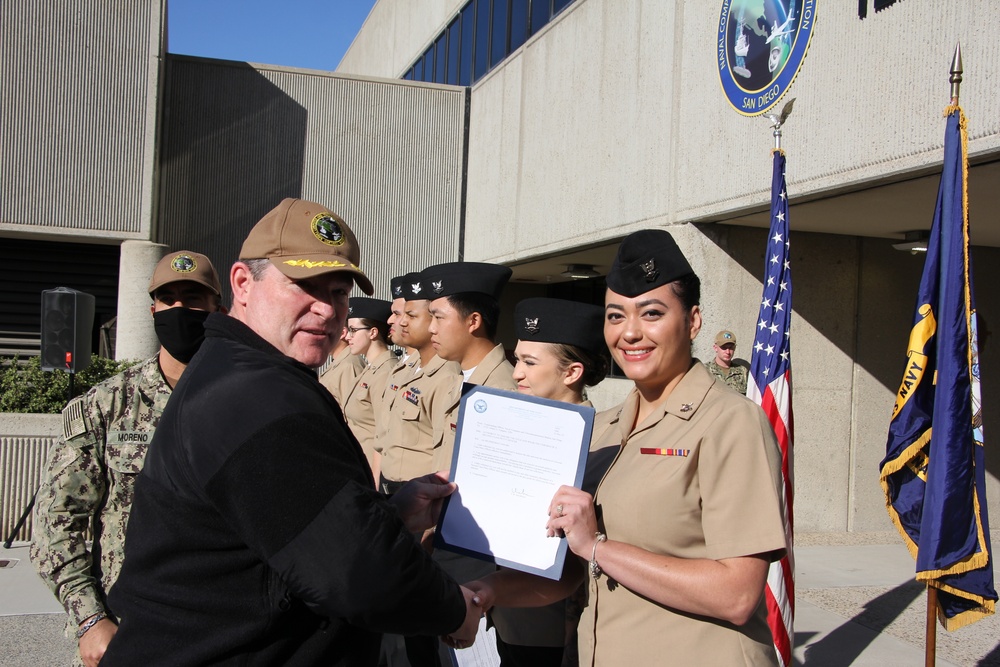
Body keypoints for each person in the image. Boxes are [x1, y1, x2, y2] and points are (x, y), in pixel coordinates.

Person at [101, 198, 483, 665]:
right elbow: (354, 573)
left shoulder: (247, 372)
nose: (325, 308)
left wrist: (388, 514)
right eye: (303, 284)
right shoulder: (254, 394)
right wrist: (453, 608)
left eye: (338, 291)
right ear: (243, 283)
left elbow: (289, 522)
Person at [465, 229, 787, 666]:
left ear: (692, 321)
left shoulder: (730, 422)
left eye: (651, 313)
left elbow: (736, 594)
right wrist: (489, 590)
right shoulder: (604, 427)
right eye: (616, 316)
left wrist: (597, 545)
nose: (631, 332)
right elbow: (574, 570)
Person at [30, 250, 224, 667]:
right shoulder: (107, 404)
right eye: (167, 298)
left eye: (192, 298)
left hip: (225, 628)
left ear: (217, 309)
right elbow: (56, 521)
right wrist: (90, 621)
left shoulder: (247, 400)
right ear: (152, 309)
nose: (178, 309)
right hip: (130, 629)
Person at [493, 297, 609, 667]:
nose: (516, 373)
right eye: (516, 360)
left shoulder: (601, 444)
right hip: (505, 606)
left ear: (572, 373)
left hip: (555, 621)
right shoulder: (514, 424)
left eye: (529, 362)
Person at [422, 261, 516, 473]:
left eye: (438, 317)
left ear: (473, 321)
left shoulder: (503, 391)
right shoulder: (459, 378)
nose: (431, 328)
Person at [341, 296, 395, 484]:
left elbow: (383, 436)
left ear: (373, 332)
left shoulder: (385, 372)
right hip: (357, 466)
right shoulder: (370, 368)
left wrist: (375, 483)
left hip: (370, 473)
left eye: (354, 330)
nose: (347, 336)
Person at [319, 324, 366, 405]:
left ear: (342, 333)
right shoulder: (341, 362)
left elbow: (350, 410)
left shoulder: (349, 365)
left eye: (321, 331)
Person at [705, 329, 748, 394]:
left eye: (731, 348)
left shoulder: (742, 372)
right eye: (724, 348)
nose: (728, 352)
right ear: (715, 348)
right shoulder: (705, 370)